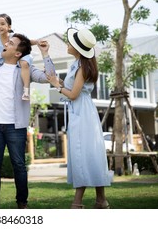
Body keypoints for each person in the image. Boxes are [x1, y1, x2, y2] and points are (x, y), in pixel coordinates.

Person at [0, 33, 56, 209]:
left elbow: (49, 77)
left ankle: (22, 203)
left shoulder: (25, 68)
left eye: (11, 43)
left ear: (18, 53)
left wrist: (45, 54)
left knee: (19, 165)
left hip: (16, 125)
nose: (6, 42)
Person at [47, 28, 112, 209]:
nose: (67, 45)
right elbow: (72, 88)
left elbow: (74, 94)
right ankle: (101, 200)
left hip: (82, 112)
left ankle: (78, 202)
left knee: (83, 153)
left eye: (70, 43)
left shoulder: (82, 67)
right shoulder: (76, 65)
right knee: (88, 153)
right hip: (79, 111)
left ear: (77, 48)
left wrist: (57, 87)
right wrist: (58, 82)